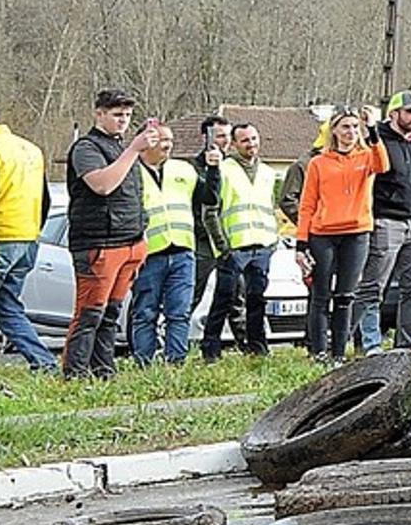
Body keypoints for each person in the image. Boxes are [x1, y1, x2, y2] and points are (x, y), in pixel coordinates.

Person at [63, 91, 160, 379]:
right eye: (117, 115)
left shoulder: (121, 148)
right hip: (99, 243)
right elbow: (102, 185)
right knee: (89, 313)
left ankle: (104, 371)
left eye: (127, 115)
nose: (123, 121)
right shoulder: (86, 148)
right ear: (99, 114)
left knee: (111, 313)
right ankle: (75, 375)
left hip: (130, 240)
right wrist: (133, 150)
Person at [0, 110, 56, 372]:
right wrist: (33, 230)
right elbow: (46, 199)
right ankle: (44, 362)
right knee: (7, 307)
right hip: (28, 238)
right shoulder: (32, 149)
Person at [294, 108, 389, 359]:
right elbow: (307, 204)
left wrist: (372, 130)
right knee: (321, 294)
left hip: (356, 232)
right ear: (334, 130)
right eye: (345, 127)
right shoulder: (318, 163)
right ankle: (319, 352)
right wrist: (301, 243)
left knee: (346, 296)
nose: (351, 132)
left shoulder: (366, 156)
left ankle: (338, 353)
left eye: (355, 127)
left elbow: (383, 164)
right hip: (323, 233)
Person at [356, 91, 411, 352]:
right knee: (373, 286)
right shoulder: (376, 141)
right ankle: (370, 343)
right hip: (386, 221)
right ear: (394, 114)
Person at [124, 124, 212, 367]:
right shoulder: (130, 171)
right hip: (148, 254)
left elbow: (209, 197)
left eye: (170, 140)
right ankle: (144, 363)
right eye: (162, 139)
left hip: (182, 250)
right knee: (145, 312)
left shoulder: (183, 169)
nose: (168, 145)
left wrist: (213, 170)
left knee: (180, 312)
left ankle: (176, 363)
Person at [204, 121, 289, 358]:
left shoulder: (268, 172)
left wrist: (273, 241)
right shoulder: (223, 169)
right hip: (234, 247)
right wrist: (222, 247)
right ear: (234, 144)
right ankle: (210, 350)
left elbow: (269, 208)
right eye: (245, 140)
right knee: (224, 300)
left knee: (257, 300)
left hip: (262, 245)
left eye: (253, 139)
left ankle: (257, 348)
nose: (251, 144)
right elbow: (210, 211)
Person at [189, 115, 239, 352]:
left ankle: (243, 347)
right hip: (202, 242)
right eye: (219, 136)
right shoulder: (192, 168)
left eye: (228, 136)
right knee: (192, 295)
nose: (225, 141)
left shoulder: (234, 167)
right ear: (206, 137)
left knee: (233, 297)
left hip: (230, 243)